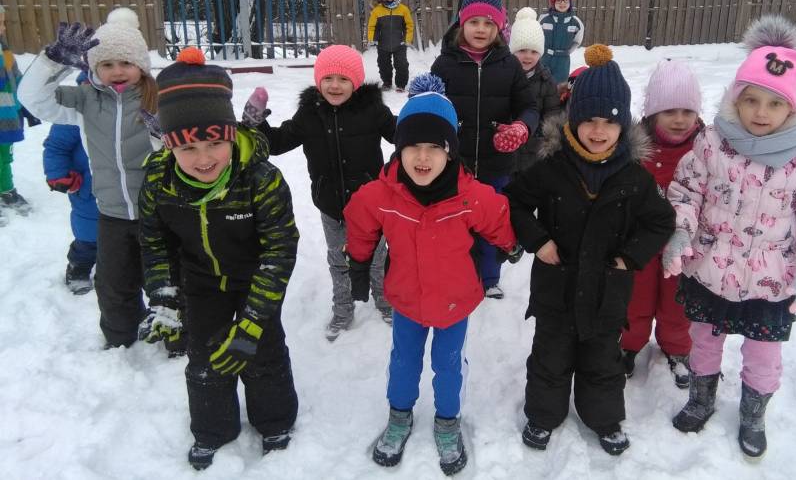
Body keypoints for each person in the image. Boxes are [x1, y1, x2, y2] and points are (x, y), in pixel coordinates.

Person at [662, 15, 796, 458]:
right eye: (751, 100)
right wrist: (679, 233)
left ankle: (753, 412)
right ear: (736, 99)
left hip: (771, 279)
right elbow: (685, 192)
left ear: (793, 108)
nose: (760, 113)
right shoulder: (712, 144)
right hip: (711, 268)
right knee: (704, 341)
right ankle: (702, 397)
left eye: (774, 103)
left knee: (764, 354)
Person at [504, 45, 675, 456]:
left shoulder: (634, 177)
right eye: (589, 121)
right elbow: (514, 203)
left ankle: (603, 418)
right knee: (550, 357)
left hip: (607, 292)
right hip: (556, 289)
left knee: (602, 360)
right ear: (573, 119)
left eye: (609, 122)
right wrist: (538, 240)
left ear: (623, 125)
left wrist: (629, 258)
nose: (598, 131)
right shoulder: (552, 167)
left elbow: (660, 221)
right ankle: (543, 415)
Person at [344, 79, 520, 476]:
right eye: (412, 147)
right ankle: (399, 415)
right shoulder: (382, 194)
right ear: (399, 149)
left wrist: (509, 244)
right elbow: (360, 220)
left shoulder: (470, 195)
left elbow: (497, 215)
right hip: (406, 299)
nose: (422, 157)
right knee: (404, 362)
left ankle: (447, 421)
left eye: (434, 148)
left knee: (448, 364)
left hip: (455, 301)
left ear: (450, 151)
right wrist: (358, 261)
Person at [138, 47, 300, 470]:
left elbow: (280, 250)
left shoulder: (260, 179)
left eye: (214, 143)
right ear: (169, 145)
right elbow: (155, 241)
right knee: (205, 359)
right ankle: (213, 429)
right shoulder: (158, 180)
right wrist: (164, 295)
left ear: (230, 135)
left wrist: (251, 323)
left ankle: (274, 421)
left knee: (262, 351)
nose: (204, 158)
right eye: (188, 148)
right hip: (201, 281)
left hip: (255, 279)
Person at [18, 9, 159, 348]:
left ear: (141, 64)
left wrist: (164, 136)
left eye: (125, 62)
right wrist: (52, 63)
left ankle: (175, 333)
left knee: (166, 280)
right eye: (106, 64)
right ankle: (120, 338)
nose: (117, 71)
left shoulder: (158, 100)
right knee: (113, 284)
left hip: (157, 212)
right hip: (110, 214)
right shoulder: (84, 101)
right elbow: (32, 99)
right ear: (93, 67)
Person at [242, 44, 395, 340]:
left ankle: (384, 299)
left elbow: (401, 134)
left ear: (356, 82)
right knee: (338, 260)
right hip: (330, 204)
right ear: (318, 80)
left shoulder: (372, 110)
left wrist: (424, 121)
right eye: (328, 78)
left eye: (343, 79)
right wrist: (258, 124)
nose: (335, 85)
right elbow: (279, 142)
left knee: (377, 256)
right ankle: (343, 308)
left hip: (370, 204)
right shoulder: (310, 113)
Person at [431, 0, 538, 299]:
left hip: (496, 165)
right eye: (474, 22)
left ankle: (490, 278)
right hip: (454, 164)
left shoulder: (509, 65)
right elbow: (431, 106)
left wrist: (521, 127)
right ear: (462, 23)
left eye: (489, 23)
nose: (481, 29)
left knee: (492, 222)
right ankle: (458, 274)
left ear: (499, 28)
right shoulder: (445, 64)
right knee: (455, 223)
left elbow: (529, 106)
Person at [621, 60, 704, 387]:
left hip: (685, 246)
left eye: (687, 111)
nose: (680, 119)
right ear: (653, 112)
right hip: (640, 243)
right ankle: (629, 344)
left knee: (677, 303)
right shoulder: (633, 148)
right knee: (635, 298)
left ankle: (678, 348)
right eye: (669, 111)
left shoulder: (707, 150)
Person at [42, 71, 100, 295]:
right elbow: (57, 146)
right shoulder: (77, 106)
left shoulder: (134, 101)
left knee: (126, 233)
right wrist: (58, 174)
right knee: (88, 234)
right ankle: (79, 267)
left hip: (123, 186)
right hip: (87, 187)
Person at [507, 7, 562, 173]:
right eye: (522, 50)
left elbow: (552, 113)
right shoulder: (504, 76)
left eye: (534, 51)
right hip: (505, 148)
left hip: (533, 150)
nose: (528, 56)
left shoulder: (546, 81)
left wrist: (541, 136)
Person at [0, 3, 39, 223]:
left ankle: (6, 190)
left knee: (5, 156)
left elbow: (16, 78)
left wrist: (26, 104)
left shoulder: (5, 51)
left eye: (3, 23)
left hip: (7, 116)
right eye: (0, 24)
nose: (3, 28)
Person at [367, 0, 414, 92]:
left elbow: (409, 25)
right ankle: (387, 82)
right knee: (383, 64)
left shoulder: (403, 9)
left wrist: (407, 39)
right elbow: (372, 26)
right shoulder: (377, 10)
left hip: (400, 43)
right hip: (383, 44)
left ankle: (401, 84)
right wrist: (372, 39)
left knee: (402, 64)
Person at [539, 0, 584, 84]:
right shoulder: (544, 19)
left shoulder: (576, 22)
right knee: (541, 84)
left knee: (560, 86)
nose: (562, 3)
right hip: (545, 59)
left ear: (570, 2)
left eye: (565, 0)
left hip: (563, 61)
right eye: (559, 0)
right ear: (553, 2)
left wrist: (566, 52)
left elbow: (577, 41)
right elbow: (537, 37)